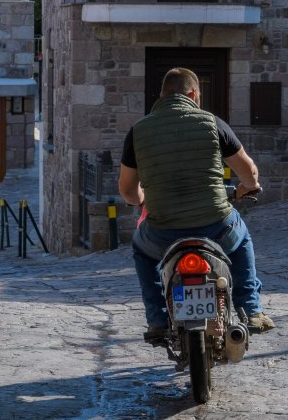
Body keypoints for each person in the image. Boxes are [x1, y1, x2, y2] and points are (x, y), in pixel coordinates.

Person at [118, 67, 275, 341]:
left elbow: (128, 192)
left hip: (162, 233)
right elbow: (248, 172)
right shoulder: (213, 123)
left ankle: (157, 320)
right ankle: (251, 309)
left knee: (141, 250)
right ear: (193, 95)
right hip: (216, 228)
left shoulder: (138, 131)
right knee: (242, 238)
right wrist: (246, 188)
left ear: (162, 95)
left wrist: (142, 199)